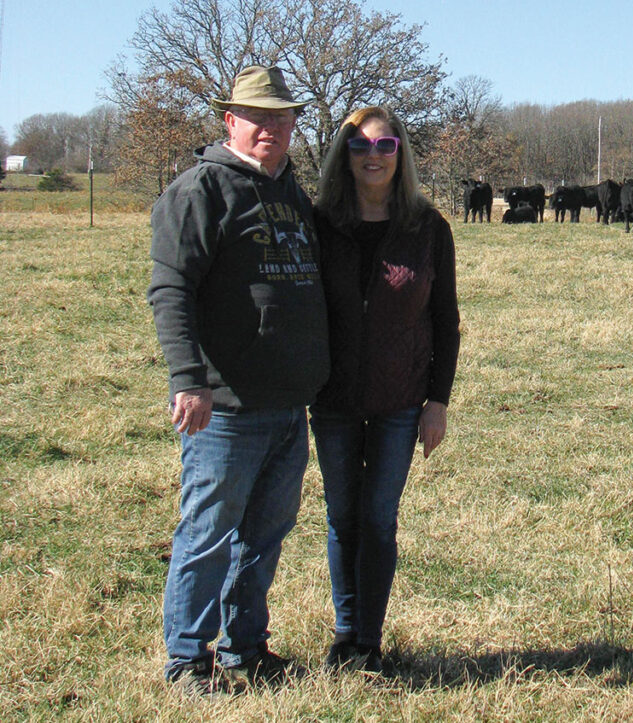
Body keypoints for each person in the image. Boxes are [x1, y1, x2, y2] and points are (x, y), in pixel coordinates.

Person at [148, 65, 329, 695]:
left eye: (282, 118)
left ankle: (245, 648)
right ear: (230, 120)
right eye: (259, 118)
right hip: (225, 406)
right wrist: (187, 378)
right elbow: (171, 289)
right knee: (207, 531)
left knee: (266, 535)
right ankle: (187, 659)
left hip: (288, 403)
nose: (271, 130)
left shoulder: (291, 193)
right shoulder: (202, 189)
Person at [312, 106, 460, 674]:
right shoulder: (320, 223)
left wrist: (437, 402)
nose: (373, 156)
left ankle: (368, 641)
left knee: (378, 518)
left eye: (385, 144)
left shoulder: (428, 228)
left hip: (401, 402)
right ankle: (344, 633)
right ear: (342, 155)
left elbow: (445, 320)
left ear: (401, 154)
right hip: (334, 401)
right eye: (359, 145)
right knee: (342, 517)